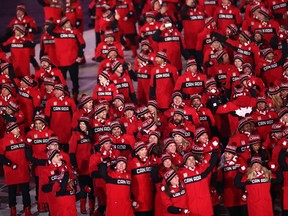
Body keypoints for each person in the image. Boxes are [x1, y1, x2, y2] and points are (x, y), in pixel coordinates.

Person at [47, 16, 85, 102]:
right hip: (61, 62)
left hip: (73, 61)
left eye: (69, 22)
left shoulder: (75, 32)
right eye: (67, 23)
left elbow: (82, 44)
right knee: (62, 81)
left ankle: (75, 96)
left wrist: (80, 56)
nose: (69, 24)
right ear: (63, 25)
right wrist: (56, 22)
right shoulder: (57, 32)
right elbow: (49, 30)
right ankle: (65, 96)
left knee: (75, 80)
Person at [0, 122, 32, 216]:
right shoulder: (3, 141)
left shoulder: (23, 138)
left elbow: (28, 150)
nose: (19, 129)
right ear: (11, 130)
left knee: (26, 191)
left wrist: (29, 161)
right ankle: (12, 210)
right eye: (16, 128)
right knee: (12, 191)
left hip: (23, 169)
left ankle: (27, 210)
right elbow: (0, 156)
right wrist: (10, 164)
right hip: (11, 170)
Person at [26, 114, 54, 212]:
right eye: (36, 123)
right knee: (38, 183)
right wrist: (33, 160)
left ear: (43, 123)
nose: (37, 125)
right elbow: (28, 149)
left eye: (39, 123)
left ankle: (48, 202)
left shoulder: (50, 133)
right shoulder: (30, 134)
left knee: (48, 182)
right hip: (37, 163)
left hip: (48, 162)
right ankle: (40, 203)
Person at [69, 116, 94, 214]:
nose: (82, 126)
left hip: (91, 166)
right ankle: (83, 207)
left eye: (84, 124)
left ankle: (92, 207)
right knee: (84, 187)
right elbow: (71, 152)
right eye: (80, 124)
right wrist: (75, 166)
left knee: (92, 188)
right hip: (81, 167)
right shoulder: (75, 135)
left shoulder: (91, 135)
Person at [41, 149, 77, 216]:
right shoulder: (46, 170)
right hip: (53, 199)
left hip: (67, 198)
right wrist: (57, 184)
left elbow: (72, 178)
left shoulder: (65, 167)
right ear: (52, 158)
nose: (60, 157)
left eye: (60, 155)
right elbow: (44, 188)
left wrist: (72, 184)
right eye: (57, 156)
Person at [45, 84, 76, 152]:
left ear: (62, 91)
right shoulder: (50, 102)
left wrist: (73, 128)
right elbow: (47, 117)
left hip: (67, 131)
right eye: (55, 90)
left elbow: (75, 116)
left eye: (58, 90)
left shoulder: (70, 101)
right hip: (55, 131)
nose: (55, 92)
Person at [129, 141, 154, 215]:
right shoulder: (131, 163)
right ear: (137, 152)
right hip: (138, 198)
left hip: (150, 197)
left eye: (145, 149)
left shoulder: (150, 161)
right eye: (142, 150)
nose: (144, 151)